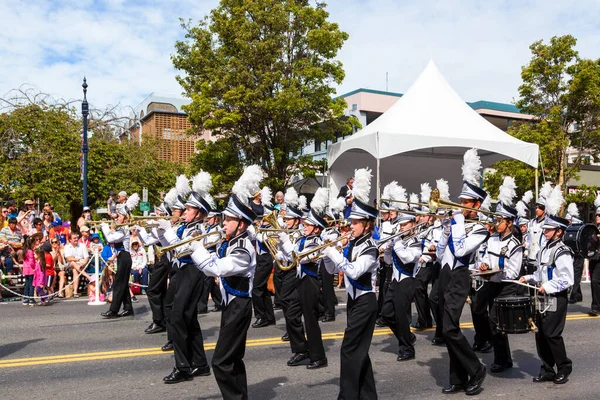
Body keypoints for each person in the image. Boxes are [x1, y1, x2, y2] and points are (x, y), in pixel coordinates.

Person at [190, 165, 262, 399]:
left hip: (239, 308)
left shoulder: (242, 249)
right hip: (232, 306)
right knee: (232, 359)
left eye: (229, 220)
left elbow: (216, 268)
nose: (224, 223)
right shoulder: (230, 242)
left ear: (241, 223)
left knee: (221, 362)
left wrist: (196, 248)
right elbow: (215, 258)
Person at [435, 149, 489, 395]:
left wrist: (455, 225)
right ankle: (457, 378)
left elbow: (461, 250)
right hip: (445, 275)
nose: (460, 205)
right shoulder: (458, 223)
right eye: (461, 201)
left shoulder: (480, 228)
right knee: (448, 330)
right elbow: (440, 253)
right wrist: (445, 231)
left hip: (460, 278)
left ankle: (476, 369)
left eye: (465, 202)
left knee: (449, 329)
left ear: (477, 204)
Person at [322, 168, 379, 400]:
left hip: (366, 301)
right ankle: (368, 396)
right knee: (360, 353)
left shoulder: (371, 248)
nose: (350, 226)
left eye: (355, 223)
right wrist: (328, 256)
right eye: (351, 222)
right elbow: (335, 270)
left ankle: (347, 397)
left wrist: (334, 254)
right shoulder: (352, 244)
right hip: (355, 302)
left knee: (349, 349)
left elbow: (354, 272)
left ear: (367, 225)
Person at [157, 174, 212, 384]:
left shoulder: (197, 229)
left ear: (198, 213)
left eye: (189, 209)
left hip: (191, 273)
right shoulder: (183, 227)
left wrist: (168, 230)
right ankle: (200, 363)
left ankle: (183, 367)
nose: (185, 212)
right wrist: (161, 232)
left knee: (178, 318)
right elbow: (169, 248)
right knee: (186, 319)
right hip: (180, 273)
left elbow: (181, 250)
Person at [521, 185, 573, 385]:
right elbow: (541, 272)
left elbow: (567, 279)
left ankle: (564, 367)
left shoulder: (562, 251)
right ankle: (547, 369)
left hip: (556, 296)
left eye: (549, 229)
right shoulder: (544, 249)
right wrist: (529, 278)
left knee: (552, 334)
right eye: (545, 229)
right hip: (542, 295)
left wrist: (548, 287)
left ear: (559, 231)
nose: (545, 231)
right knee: (541, 334)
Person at [277, 187, 329, 370]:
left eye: (308, 225)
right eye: (305, 224)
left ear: (316, 227)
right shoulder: (302, 238)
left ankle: (318, 356)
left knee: (311, 320)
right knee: (291, 314)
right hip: (300, 281)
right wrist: (281, 246)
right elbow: (290, 256)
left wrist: (285, 241)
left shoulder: (315, 241)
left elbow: (302, 257)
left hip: (310, 283)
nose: (304, 227)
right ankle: (300, 350)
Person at [477, 177, 523, 373]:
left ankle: (502, 359)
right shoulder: (493, 238)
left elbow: (512, 272)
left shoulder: (515, 245)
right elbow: (484, 256)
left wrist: (495, 271)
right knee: (479, 309)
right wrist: (484, 265)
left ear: (509, 222)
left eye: (500, 220)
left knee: (496, 322)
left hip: (506, 285)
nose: (496, 223)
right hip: (492, 281)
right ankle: (498, 353)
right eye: (496, 220)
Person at [380, 184, 421, 362]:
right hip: (395, 280)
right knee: (386, 313)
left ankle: (407, 348)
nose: (402, 227)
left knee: (401, 315)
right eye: (401, 225)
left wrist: (395, 243)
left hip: (407, 280)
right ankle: (407, 336)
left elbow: (407, 259)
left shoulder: (416, 241)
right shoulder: (399, 240)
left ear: (413, 224)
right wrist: (387, 250)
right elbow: (390, 261)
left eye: (405, 224)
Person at [100, 193, 139, 318]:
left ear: (125, 217)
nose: (117, 217)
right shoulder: (120, 228)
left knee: (118, 284)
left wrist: (104, 227)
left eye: (120, 215)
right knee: (122, 283)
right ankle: (128, 308)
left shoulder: (124, 229)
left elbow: (111, 238)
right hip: (121, 257)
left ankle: (114, 310)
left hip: (125, 257)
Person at [252, 186, 276, 328]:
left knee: (256, 289)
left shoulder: (271, 229)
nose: (263, 220)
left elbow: (262, 239)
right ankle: (269, 316)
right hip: (260, 259)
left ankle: (261, 316)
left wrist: (257, 227)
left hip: (266, 259)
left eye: (265, 218)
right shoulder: (262, 228)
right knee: (263, 289)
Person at [64, 232, 91, 298]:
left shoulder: (82, 245)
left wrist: (82, 264)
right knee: (73, 263)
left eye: (77, 238)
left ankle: (75, 292)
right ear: (70, 240)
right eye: (74, 238)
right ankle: (88, 277)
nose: (76, 239)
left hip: (81, 265)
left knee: (75, 270)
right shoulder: (67, 247)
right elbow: (68, 258)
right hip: (70, 265)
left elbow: (86, 258)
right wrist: (78, 260)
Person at [588, 196, 600, 316]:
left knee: (596, 281)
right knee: (594, 282)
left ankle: (595, 306)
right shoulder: (593, 229)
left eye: (599, 215)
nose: (597, 217)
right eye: (597, 215)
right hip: (594, 258)